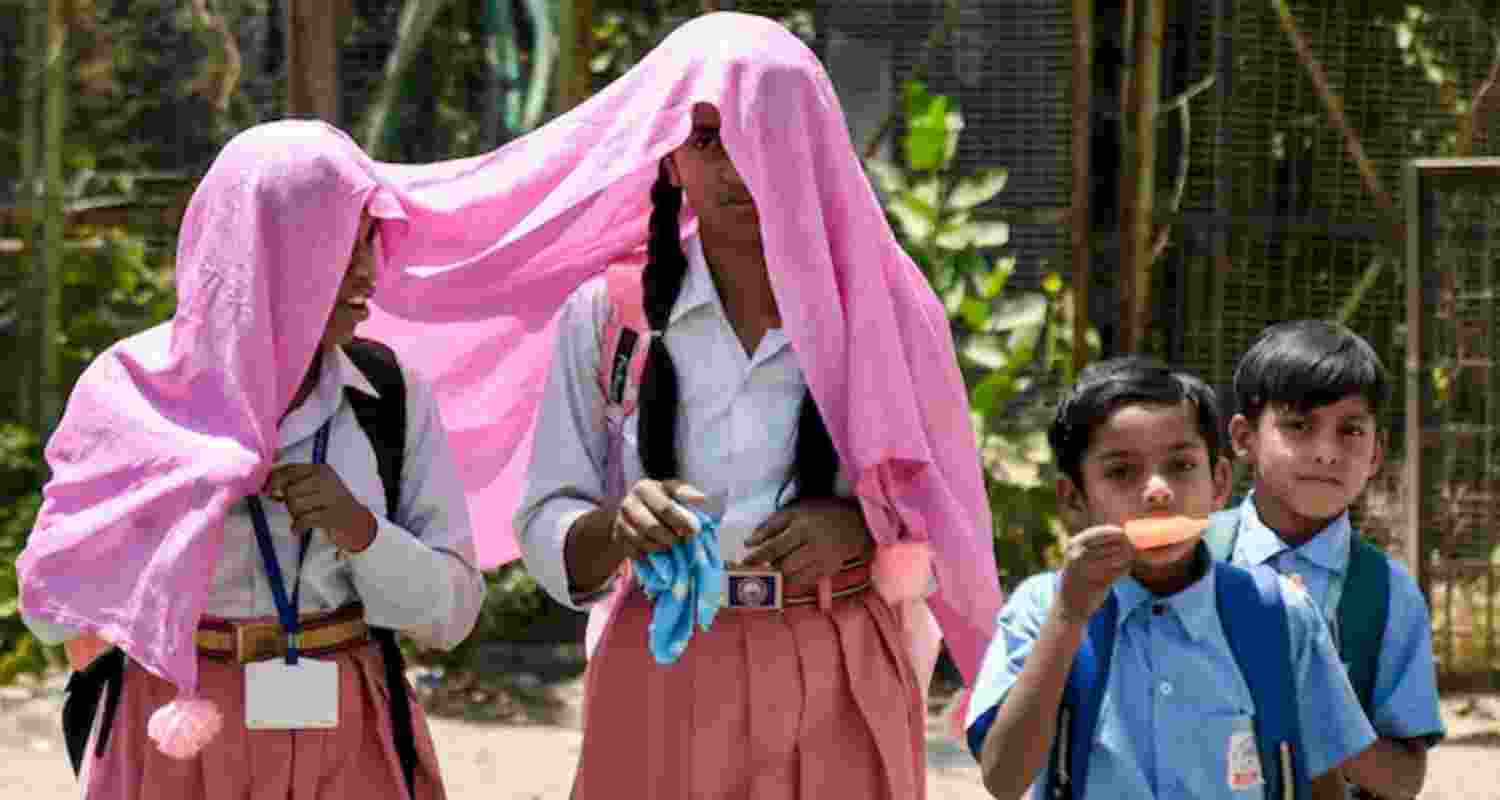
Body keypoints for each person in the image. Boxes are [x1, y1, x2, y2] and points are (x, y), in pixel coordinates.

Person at [357, 12, 1003, 799]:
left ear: (810, 147)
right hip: (662, 659)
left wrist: (860, 525)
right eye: (706, 140)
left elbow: (948, 510)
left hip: (839, 661)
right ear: (667, 159)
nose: (736, 169)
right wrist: (615, 526)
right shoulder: (609, 315)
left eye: (760, 137)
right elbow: (550, 519)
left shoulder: (887, 309)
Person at [17, 120, 485, 800]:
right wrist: (155, 512)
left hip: (345, 739)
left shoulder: (389, 394)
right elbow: (47, 614)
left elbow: (452, 616)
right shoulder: (131, 393)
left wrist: (362, 533)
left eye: (369, 244)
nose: (367, 272)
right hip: (174, 742)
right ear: (263, 251)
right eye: (339, 246)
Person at [966, 357, 1376, 800]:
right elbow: (1003, 779)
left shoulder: (1279, 614)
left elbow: (1323, 783)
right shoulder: (1043, 608)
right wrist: (1067, 619)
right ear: (1074, 498)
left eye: (1180, 466)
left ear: (1219, 483)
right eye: (1122, 471)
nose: (1158, 490)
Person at [1216, 320, 1444, 799]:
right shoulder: (1191, 559)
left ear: (1377, 452)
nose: (1326, 453)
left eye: (1351, 430)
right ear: (1244, 439)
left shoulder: (1389, 595)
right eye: (1298, 425)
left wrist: (1317, 703)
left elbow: (1403, 779)